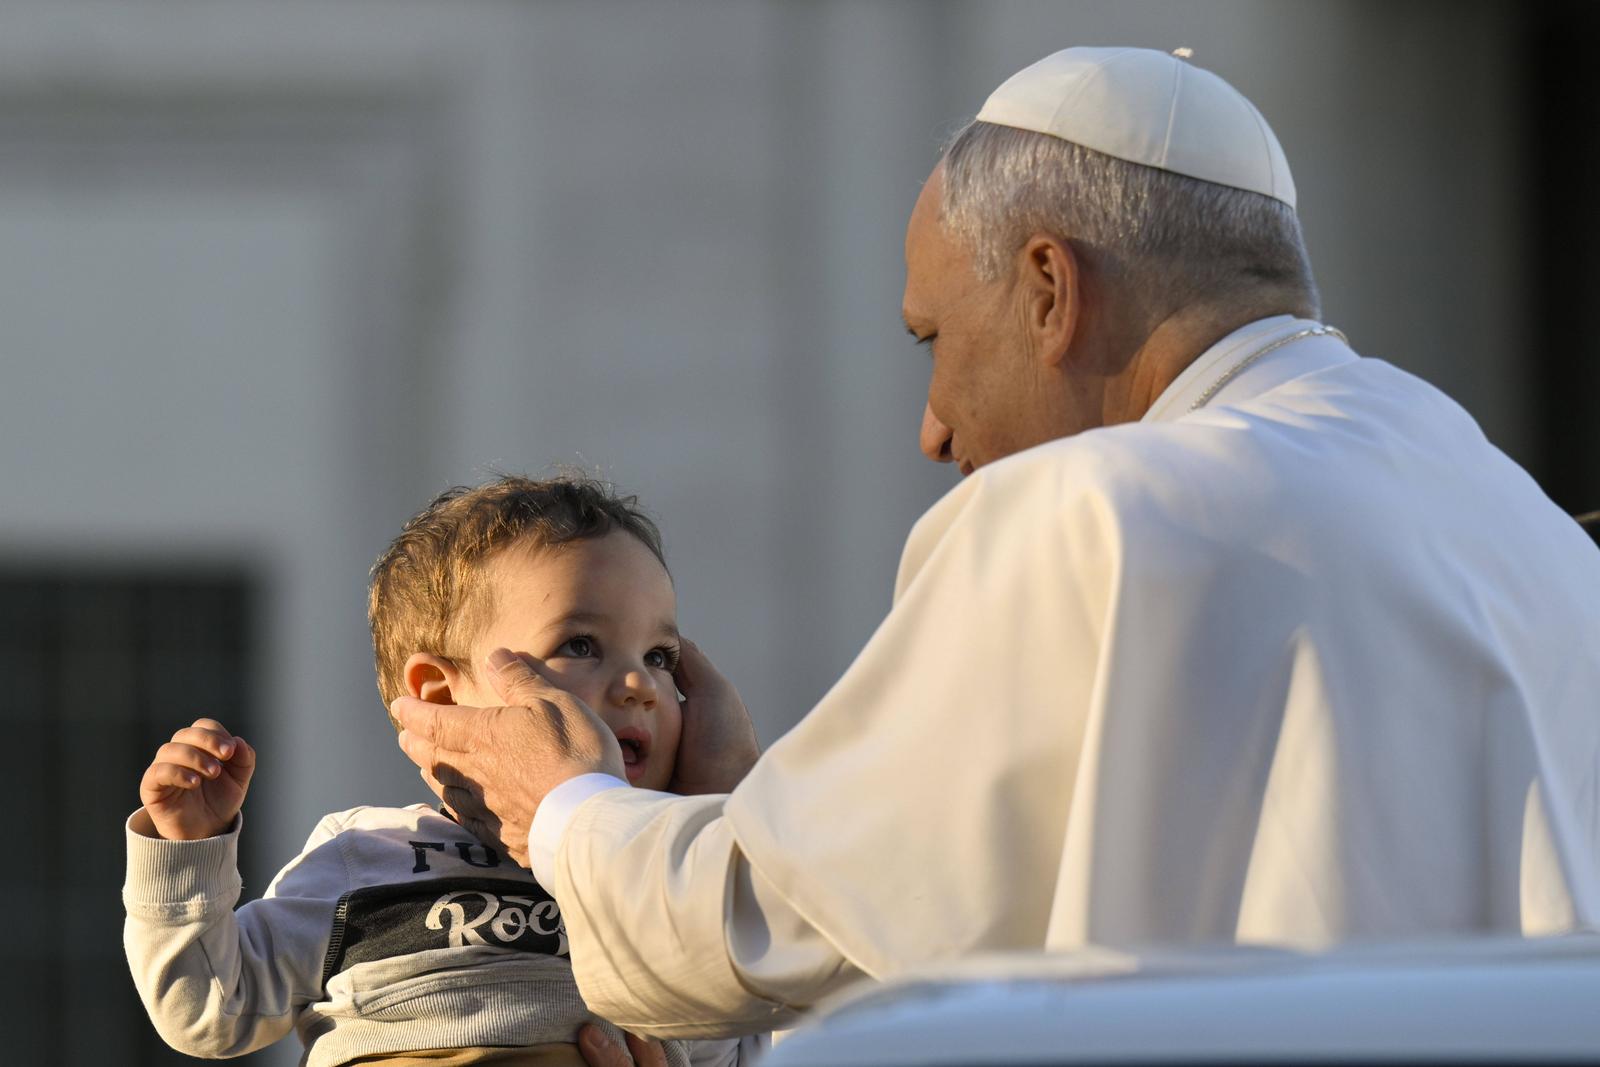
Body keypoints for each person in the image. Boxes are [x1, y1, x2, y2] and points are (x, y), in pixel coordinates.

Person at [393, 46, 1600, 1052]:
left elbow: (780, 922)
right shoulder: (1510, 509)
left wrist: (565, 800)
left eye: (934, 338)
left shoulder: (1085, 508)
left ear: (1046, 290)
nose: (933, 429)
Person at [123, 475, 762, 1067]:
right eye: (580, 645)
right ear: (439, 695)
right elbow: (209, 1009)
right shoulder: (364, 857)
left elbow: (759, 1033)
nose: (639, 685)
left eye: (660, 655)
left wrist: (727, 814)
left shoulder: (670, 878)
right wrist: (189, 851)